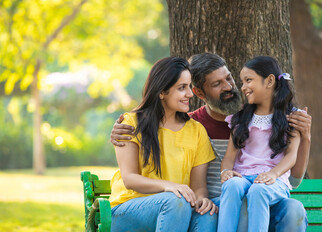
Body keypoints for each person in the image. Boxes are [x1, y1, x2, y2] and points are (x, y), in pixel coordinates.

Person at [110, 53, 311, 231]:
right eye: (217, 84)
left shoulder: (251, 118)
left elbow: (293, 180)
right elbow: (131, 175)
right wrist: (172, 187)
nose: (230, 87)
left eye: (229, 78)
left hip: (255, 197)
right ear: (200, 93)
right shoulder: (194, 124)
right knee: (196, 206)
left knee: (293, 209)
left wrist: (306, 138)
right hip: (193, 203)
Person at [109, 57, 218, 232]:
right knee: (175, 201)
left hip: (177, 207)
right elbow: (129, 179)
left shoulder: (196, 130)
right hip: (128, 209)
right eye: (182, 88)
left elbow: (198, 186)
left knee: (207, 214)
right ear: (162, 92)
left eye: (189, 86)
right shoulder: (131, 123)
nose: (190, 94)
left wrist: (202, 198)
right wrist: (169, 186)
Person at [218, 56, 304, 232]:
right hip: (243, 177)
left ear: (270, 81)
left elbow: (291, 155)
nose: (243, 87)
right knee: (231, 185)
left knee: (259, 191)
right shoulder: (240, 118)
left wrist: (273, 174)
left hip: (274, 180)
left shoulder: (292, 117)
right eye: (242, 82)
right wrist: (226, 172)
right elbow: (229, 157)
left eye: (248, 80)